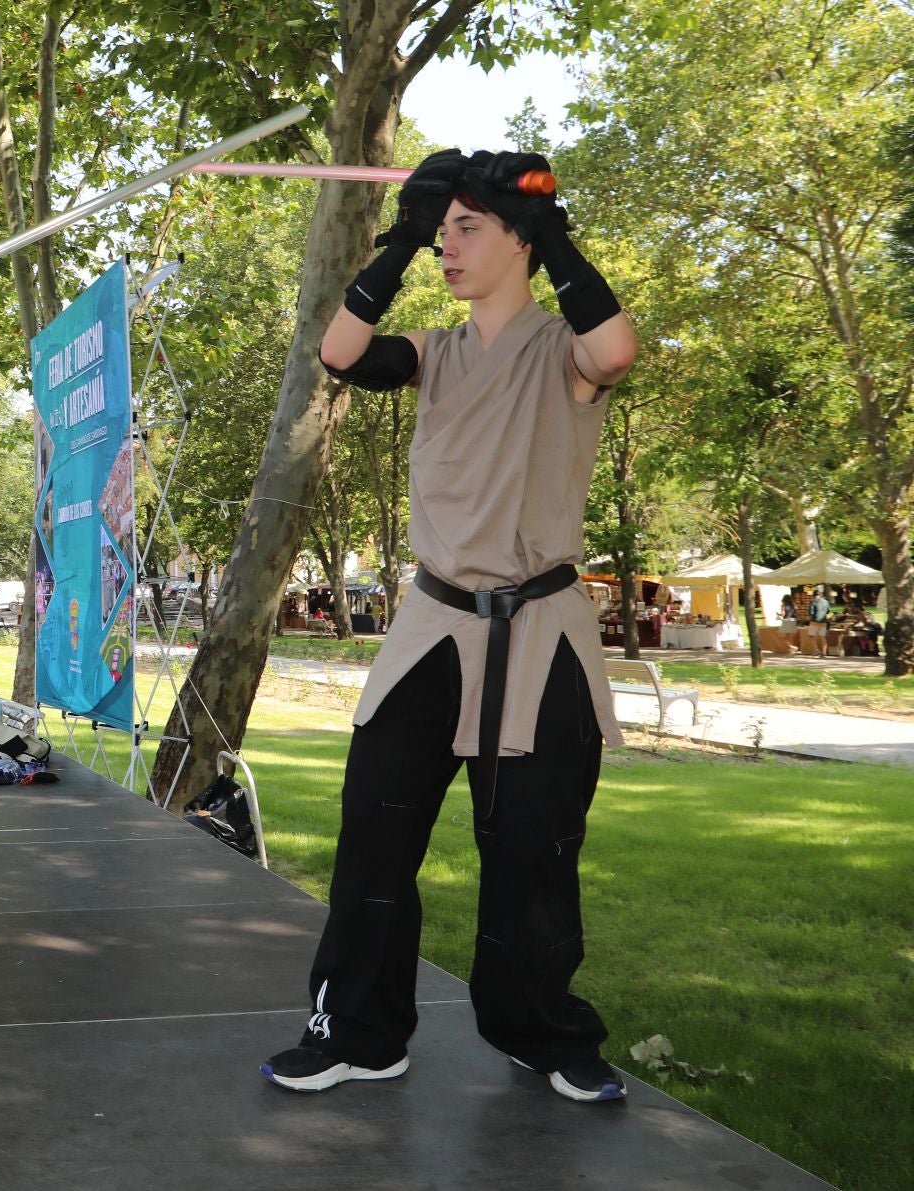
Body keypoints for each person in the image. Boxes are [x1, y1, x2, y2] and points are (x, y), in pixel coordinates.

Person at [262, 149, 638, 1104]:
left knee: (534, 852)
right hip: (431, 626)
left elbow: (617, 351)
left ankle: (541, 1032)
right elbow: (342, 353)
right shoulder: (432, 350)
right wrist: (395, 239)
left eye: (467, 228)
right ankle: (359, 1031)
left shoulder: (565, 349)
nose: (447, 246)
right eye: (442, 232)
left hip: (541, 632)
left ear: (519, 240)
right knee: (374, 837)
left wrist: (550, 228)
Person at [805, 586, 831, 657]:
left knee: (811, 636)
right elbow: (828, 611)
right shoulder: (826, 602)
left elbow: (811, 613)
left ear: (814, 595)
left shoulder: (813, 602)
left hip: (814, 622)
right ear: (820, 595)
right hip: (824, 622)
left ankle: (816, 650)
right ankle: (824, 653)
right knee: (823, 637)